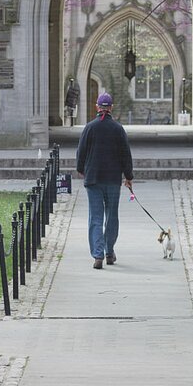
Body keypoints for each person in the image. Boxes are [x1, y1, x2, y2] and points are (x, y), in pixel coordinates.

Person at [76, 92, 133, 269]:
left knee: (96, 217)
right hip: (112, 178)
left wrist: (81, 169)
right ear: (111, 108)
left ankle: (98, 255)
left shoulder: (90, 128)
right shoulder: (117, 128)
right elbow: (126, 155)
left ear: (97, 107)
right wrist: (128, 176)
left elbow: (81, 153)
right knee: (112, 216)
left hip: (93, 178)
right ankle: (109, 251)